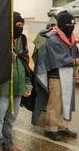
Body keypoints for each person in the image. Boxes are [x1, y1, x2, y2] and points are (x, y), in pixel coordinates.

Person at [0, 12, 32, 151]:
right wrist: (6, 57)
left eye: (22, 25)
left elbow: (26, 63)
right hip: (3, 87)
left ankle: (8, 144)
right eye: (18, 25)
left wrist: (28, 84)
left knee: (11, 118)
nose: (20, 28)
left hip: (18, 86)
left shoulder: (23, 40)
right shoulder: (1, 40)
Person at [32, 11, 78, 141]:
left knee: (66, 103)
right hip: (55, 75)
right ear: (62, 26)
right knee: (55, 103)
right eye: (69, 25)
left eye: (73, 25)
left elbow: (75, 52)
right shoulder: (53, 38)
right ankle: (51, 128)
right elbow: (59, 58)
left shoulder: (70, 38)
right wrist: (74, 61)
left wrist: (75, 61)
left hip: (68, 74)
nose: (71, 27)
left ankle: (63, 126)